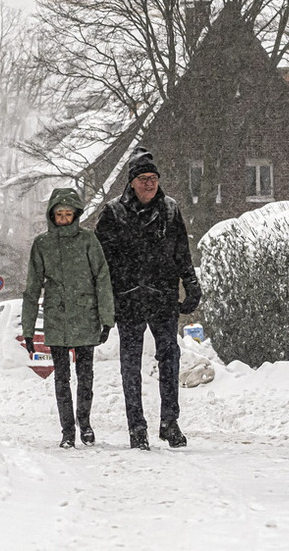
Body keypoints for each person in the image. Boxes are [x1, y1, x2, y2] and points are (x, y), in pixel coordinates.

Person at [95, 148, 201, 450]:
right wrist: (104, 305)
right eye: (143, 179)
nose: (149, 184)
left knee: (170, 357)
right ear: (131, 182)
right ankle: (136, 427)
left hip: (163, 296)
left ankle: (170, 422)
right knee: (130, 364)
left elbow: (182, 251)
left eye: (153, 178)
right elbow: (102, 265)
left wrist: (191, 285)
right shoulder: (113, 212)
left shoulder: (170, 209)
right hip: (128, 299)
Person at [22, 187, 116, 448]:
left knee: (85, 375)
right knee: (61, 378)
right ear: (51, 215)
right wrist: (28, 329)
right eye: (59, 214)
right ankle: (67, 430)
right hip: (57, 318)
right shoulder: (42, 244)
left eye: (68, 214)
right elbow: (32, 288)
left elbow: (102, 278)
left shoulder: (88, 241)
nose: (64, 218)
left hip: (85, 316)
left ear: (76, 215)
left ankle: (84, 423)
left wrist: (107, 318)